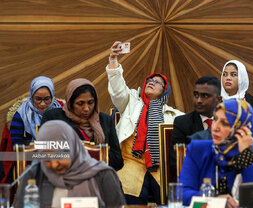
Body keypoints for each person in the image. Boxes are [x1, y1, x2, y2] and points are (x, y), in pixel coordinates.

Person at [106, 41, 184, 204]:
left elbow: (193, 124)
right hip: (130, 160)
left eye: (157, 82)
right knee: (129, 192)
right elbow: (117, 89)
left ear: (164, 91)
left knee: (171, 196)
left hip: (159, 165)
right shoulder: (130, 100)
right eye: (150, 80)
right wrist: (114, 60)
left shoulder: (173, 115)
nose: (152, 82)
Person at [179, 99, 253, 207]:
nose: (215, 127)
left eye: (225, 123)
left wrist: (246, 155)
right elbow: (182, 194)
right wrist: (215, 200)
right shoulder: (197, 150)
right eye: (215, 119)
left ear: (242, 129)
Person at [13, 120, 126, 207]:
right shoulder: (34, 175)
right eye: (47, 160)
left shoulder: (103, 175)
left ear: (72, 149)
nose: (54, 165)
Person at [41, 78, 123, 171]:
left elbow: (118, 161)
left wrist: (102, 154)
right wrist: (98, 152)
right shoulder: (54, 118)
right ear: (70, 103)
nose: (86, 108)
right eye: (80, 104)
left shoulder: (105, 120)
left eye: (90, 103)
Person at [10, 76, 63, 146]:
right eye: (38, 99)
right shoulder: (22, 113)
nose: (42, 104)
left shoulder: (60, 110)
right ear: (32, 97)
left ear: (52, 96)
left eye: (47, 99)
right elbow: (17, 143)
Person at [221, 60, 253, 140]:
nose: (228, 78)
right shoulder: (215, 101)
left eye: (233, 75)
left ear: (242, 78)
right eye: (225, 74)